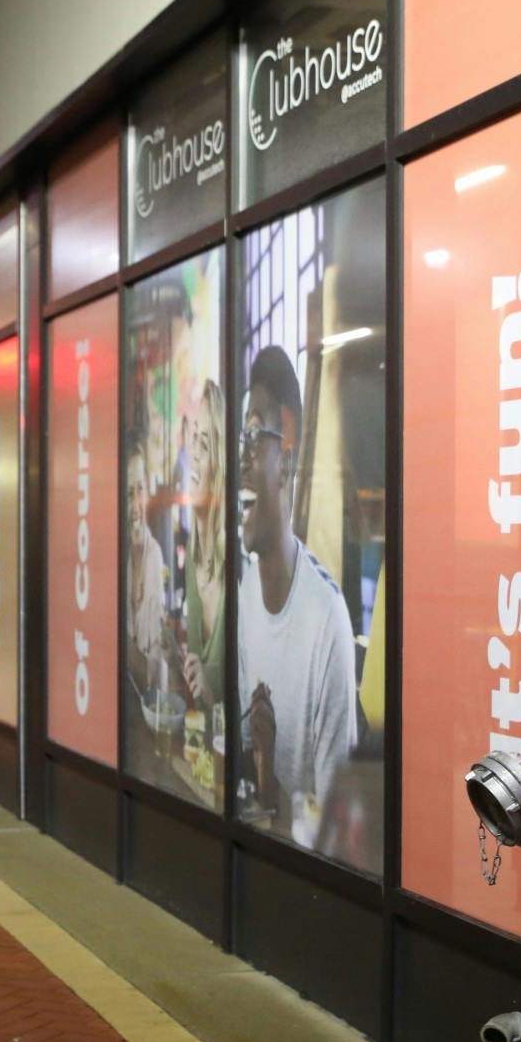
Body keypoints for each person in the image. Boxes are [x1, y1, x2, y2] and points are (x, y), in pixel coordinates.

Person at [237, 346, 357, 847]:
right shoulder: (245, 590)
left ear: (285, 461)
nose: (240, 458)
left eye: (254, 436)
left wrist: (271, 784)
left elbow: (337, 830)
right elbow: (246, 756)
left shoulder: (327, 620)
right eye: (240, 439)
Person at [177, 380, 227, 713]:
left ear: (219, 470)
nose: (193, 453)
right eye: (194, 437)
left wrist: (211, 696)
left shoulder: (238, 571)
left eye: (205, 444)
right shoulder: (192, 557)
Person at [125, 448, 170, 693]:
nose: (135, 505)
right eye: (128, 493)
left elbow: (155, 669)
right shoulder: (111, 557)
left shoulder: (154, 556)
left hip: (147, 702)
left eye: (140, 490)